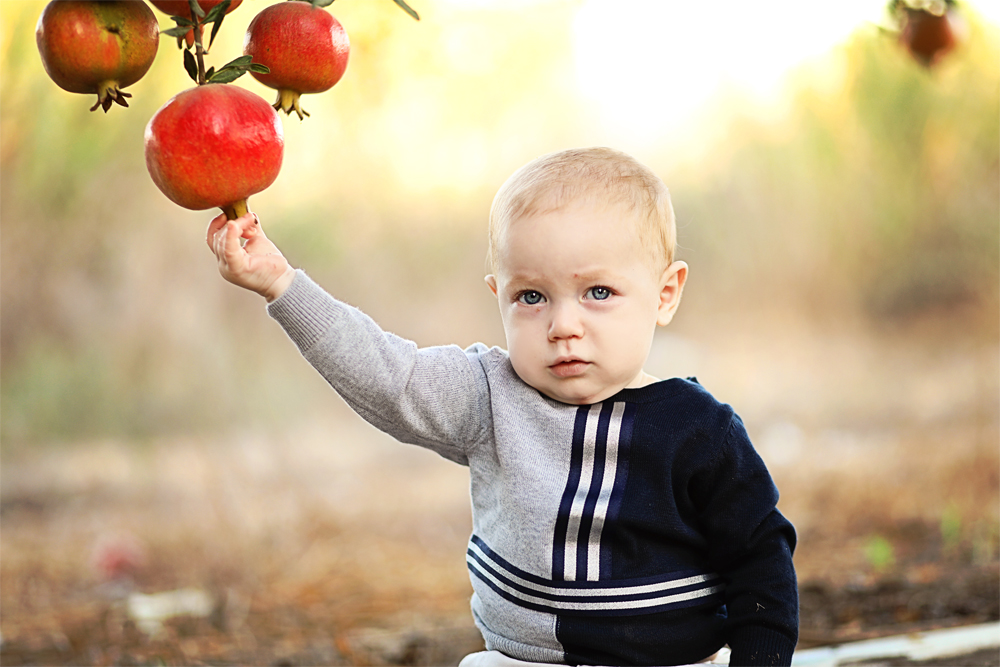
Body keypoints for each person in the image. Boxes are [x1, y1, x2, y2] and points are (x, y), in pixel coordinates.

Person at [206, 147, 799, 666]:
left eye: (598, 293)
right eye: (531, 296)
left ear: (664, 294)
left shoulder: (699, 431)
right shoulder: (491, 395)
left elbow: (761, 565)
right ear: (499, 296)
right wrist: (282, 284)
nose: (563, 325)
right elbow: (390, 377)